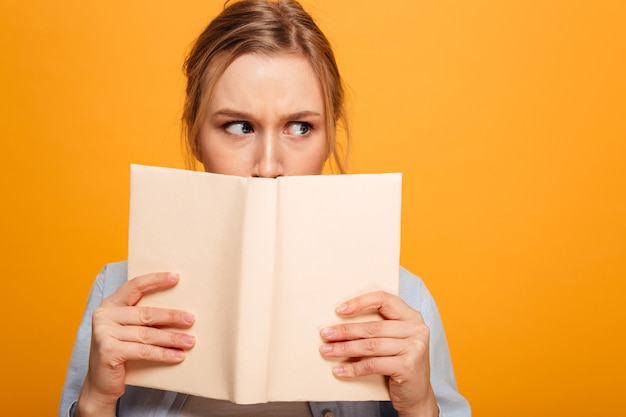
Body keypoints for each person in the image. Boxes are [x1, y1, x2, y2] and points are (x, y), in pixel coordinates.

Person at [59, 1, 471, 416]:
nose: (269, 167)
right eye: (239, 126)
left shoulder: (404, 304)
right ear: (195, 136)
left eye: (300, 127)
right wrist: (95, 402)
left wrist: (420, 406)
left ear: (329, 137)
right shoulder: (115, 297)